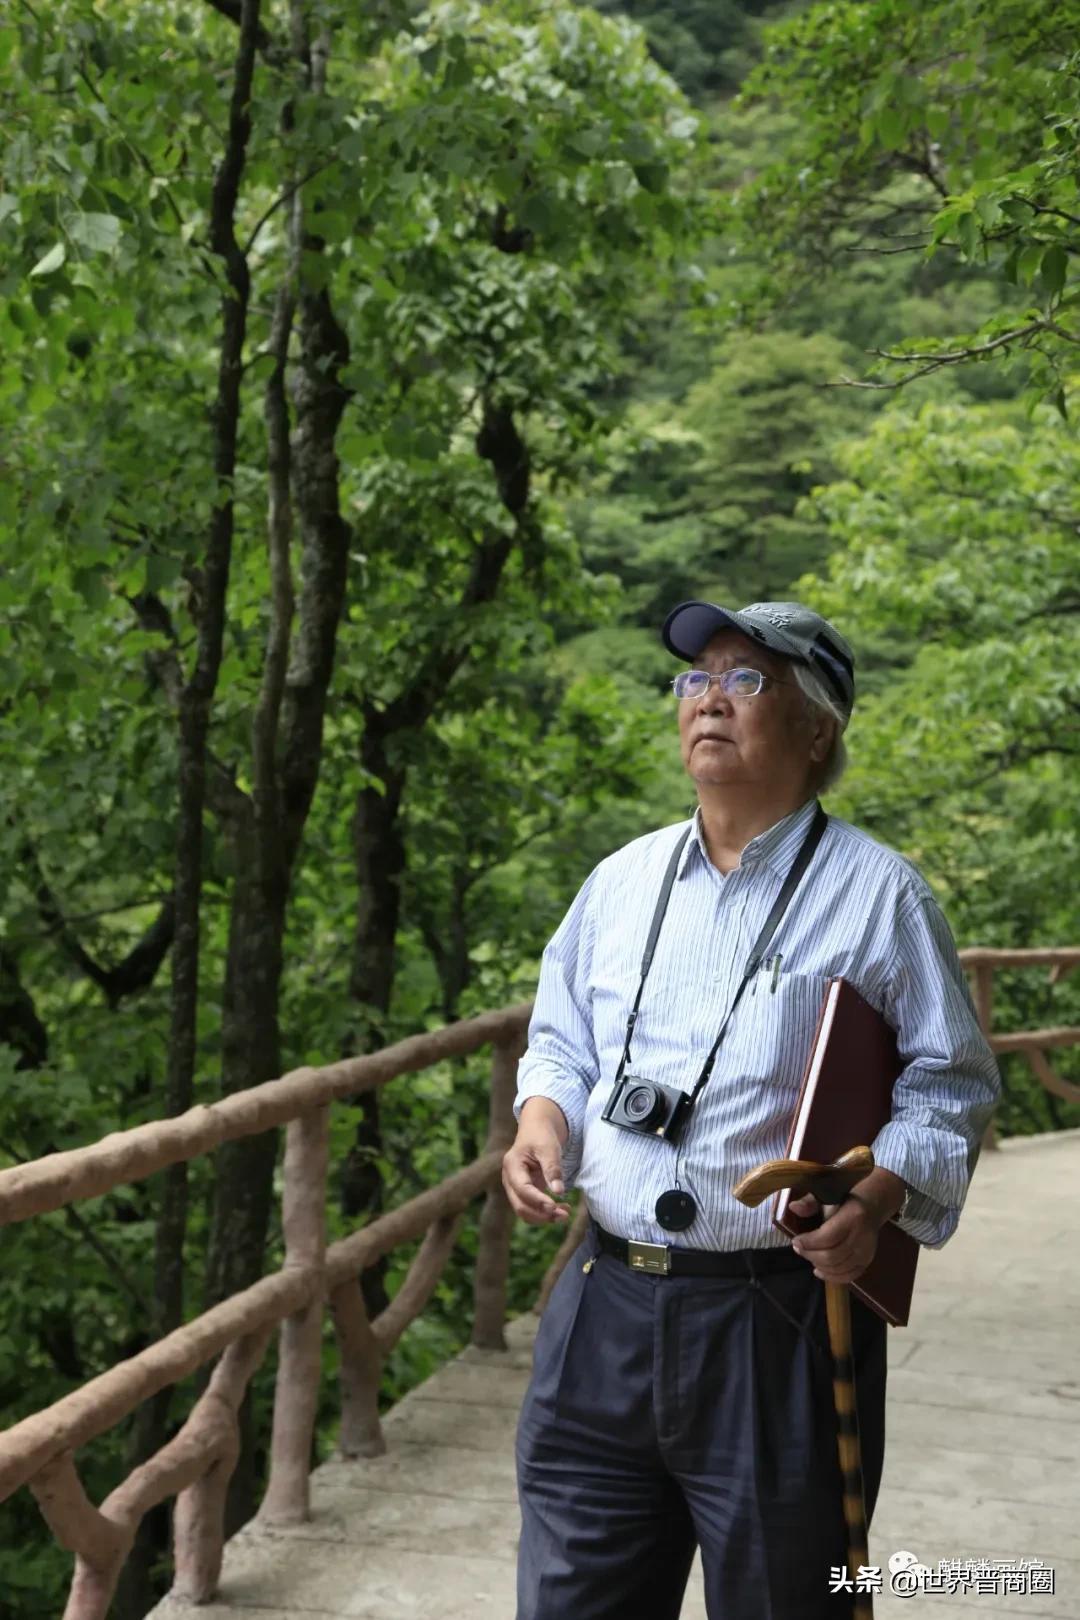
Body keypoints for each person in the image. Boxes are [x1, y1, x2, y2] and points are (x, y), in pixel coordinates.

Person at [502, 598, 1001, 1620]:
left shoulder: (882, 897)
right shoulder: (621, 881)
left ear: (817, 729)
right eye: (695, 679)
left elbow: (951, 1085)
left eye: (745, 679)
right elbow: (559, 1041)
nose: (709, 700)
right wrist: (542, 1117)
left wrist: (876, 1198)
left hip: (777, 1317)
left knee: (788, 1600)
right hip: (602, 1301)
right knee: (570, 1600)